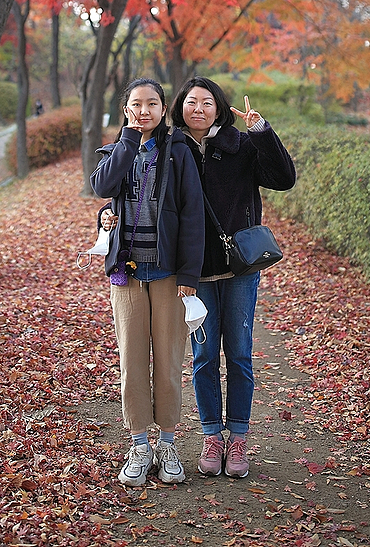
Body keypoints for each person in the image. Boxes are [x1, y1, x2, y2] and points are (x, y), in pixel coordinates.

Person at [170, 77, 296, 479]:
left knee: (239, 353)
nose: (200, 109)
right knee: (205, 357)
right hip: (197, 273)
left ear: (220, 108)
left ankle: (238, 437)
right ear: (180, 108)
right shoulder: (173, 149)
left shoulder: (239, 145)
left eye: (208, 102)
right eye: (192, 103)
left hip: (240, 268)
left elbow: (284, 178)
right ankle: (212, 435)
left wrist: (261, 131)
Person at [91, 78, 205, 487]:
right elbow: (102, 188)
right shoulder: (115, 150)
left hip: (170, 275)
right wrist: (126, 142)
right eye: (136, 104)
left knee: (170, 362)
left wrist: (190, 275)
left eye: (152, 104)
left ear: (163, 109)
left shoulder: (179, 154)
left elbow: (193, 216)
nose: (144, 111)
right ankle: (139, 444)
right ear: (125, 110)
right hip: (128, 276)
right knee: (132, 362)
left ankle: (168, 442)